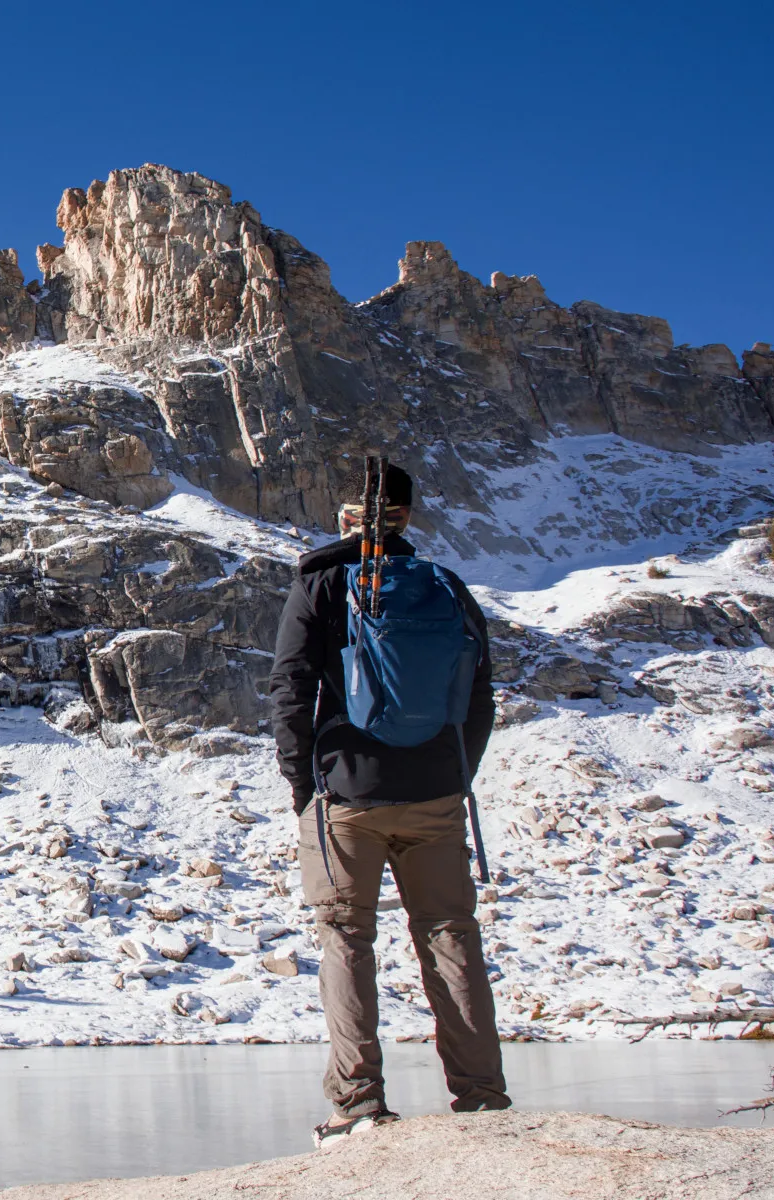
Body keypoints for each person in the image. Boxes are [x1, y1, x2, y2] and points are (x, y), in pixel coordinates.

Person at [268, 461, 510, 1147]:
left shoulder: (320, 584)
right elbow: (480, 698)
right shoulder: (447, 588)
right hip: (435, 789)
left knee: (346, 938)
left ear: (346, 517)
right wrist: (455, 777)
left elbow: (289, 692)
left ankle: (358, 1104)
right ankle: (482, 1097)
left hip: (347, 790)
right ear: (406, 518)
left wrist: (303, 786)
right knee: (450, 935)